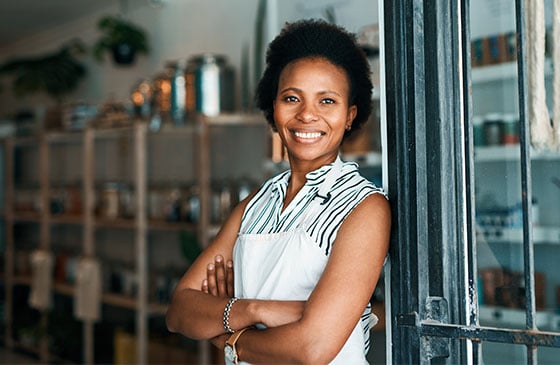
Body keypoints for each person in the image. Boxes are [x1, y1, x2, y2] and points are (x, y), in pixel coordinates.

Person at [166, 19, 391, 364]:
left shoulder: (364, 208)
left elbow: (311, 348)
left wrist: (227, 336)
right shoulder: (254, 205)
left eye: (327, 101)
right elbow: (180, 310)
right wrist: (257, 310)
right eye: (291, 98)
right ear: (274, 107)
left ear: (350, 115)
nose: (307, 115)